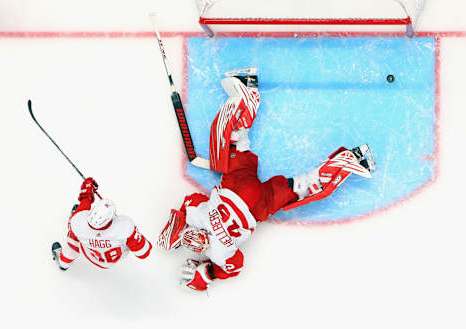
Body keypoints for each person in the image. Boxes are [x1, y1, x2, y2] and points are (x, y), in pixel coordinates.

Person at [158, 67, 375, 291]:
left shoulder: (218, 252)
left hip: (257, 209)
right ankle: (245, 93)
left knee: (302, 187)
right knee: (232, 145)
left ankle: (354, 160)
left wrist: (207, 273)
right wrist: (177, 226)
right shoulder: (199, 218)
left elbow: (235, 266)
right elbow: (191, 200)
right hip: (238, 188)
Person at [51, 178, 152, 270]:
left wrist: (86, 193)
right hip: (115, 257)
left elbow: (84, 204)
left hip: (91, 255)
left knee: (72, 244)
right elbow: (143, 253)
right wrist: (131, 236)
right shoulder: (124, 226)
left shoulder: (78, 221)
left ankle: (63, 264)